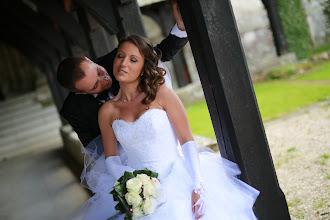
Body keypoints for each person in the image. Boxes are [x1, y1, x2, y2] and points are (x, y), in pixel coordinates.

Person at [74, 35, 259, 220]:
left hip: (179, 179)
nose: (123, 63)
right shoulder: (107, 111)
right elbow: (112, 158)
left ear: (143, 67)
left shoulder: (162, 93)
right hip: (140, 192)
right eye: (120, 56)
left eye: (133, 60)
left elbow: (186, 141)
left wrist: (197, 186)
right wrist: (130, 184)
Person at [57, 1, 188, 147]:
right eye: (95, 86)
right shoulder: (73, 110)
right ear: (79, 93)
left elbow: (157, 54)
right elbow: (94, 148)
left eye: (99, 72)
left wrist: (181, 27)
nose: (104, 80)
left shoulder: (119, 58)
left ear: (88, 60)